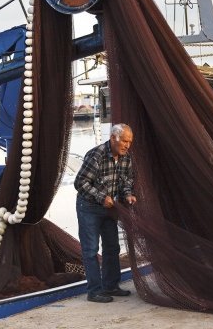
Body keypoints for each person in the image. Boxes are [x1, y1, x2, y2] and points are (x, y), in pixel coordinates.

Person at [74, 123, 137, 303]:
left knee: (112, 247)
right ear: (113, 139)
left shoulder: (126, 157)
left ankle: (111, 286)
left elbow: (126, 181)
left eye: (130, 142)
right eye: (124, 141)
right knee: (91, 249)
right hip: (89, 208)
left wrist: (128, 195)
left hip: (109, 208)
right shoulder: (97, 155)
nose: (127, 145)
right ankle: (94, 291)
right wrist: (102, 197)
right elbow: (80, 183)